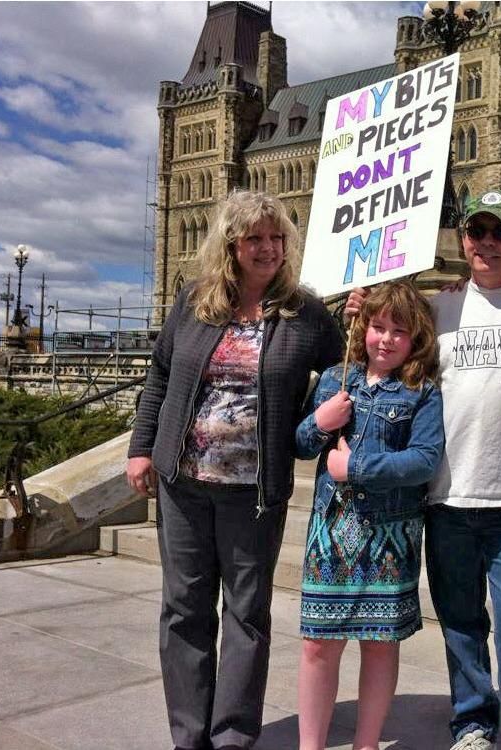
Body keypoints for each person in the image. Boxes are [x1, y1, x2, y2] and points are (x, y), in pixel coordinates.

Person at [347, 190, 501, 750]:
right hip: (446, 493)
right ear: (465, 239)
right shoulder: (439, 307)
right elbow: (383, 354)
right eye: (478, 232)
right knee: (462, 622)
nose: (487, 243)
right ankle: (473, 720)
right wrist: (359, 317)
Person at [126, 190, 344, 750]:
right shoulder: (196, 301)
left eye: (276, 238)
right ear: (231, 243)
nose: (268, 248)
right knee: (184, 610)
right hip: (184, 481)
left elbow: (350, 371)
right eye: (255, 238)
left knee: (247, 615)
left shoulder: (306, 311)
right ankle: (189, 735)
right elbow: (160, 375)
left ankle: (231, 736)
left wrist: (364, 315)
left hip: (254, 492)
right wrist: (140, 447)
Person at [295, 281, 444, 750]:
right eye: (378, 327)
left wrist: (353, 467)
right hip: (333, 530)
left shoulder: (422, 392)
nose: (386, 339)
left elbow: (424, 460)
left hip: (390, 533)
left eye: (399, 331)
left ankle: (367, 744)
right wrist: (321, 423)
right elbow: (300, 443)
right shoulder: (337, 380)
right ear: (362, 329)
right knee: (319, 643)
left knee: (380, 644)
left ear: (416, 339)